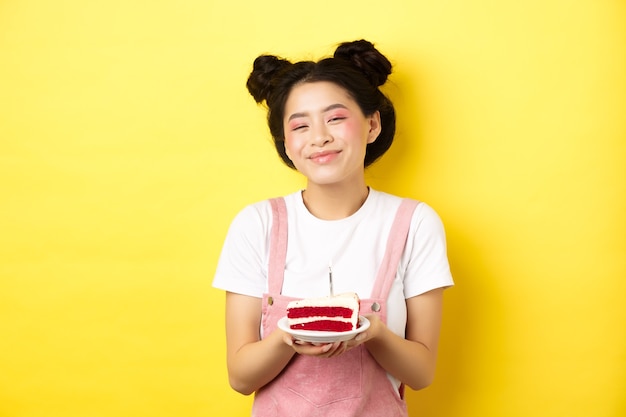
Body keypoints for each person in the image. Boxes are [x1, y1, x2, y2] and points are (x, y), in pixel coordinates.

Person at [213, 39, 454, 417]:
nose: (319, 136)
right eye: (300, 125)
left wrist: (373, 333)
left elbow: (421, 373)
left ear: (372, 124)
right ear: (286, 143)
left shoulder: (414, 223)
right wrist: (287, 338)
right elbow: (241, 378)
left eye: (336, 118)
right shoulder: (256, 224)